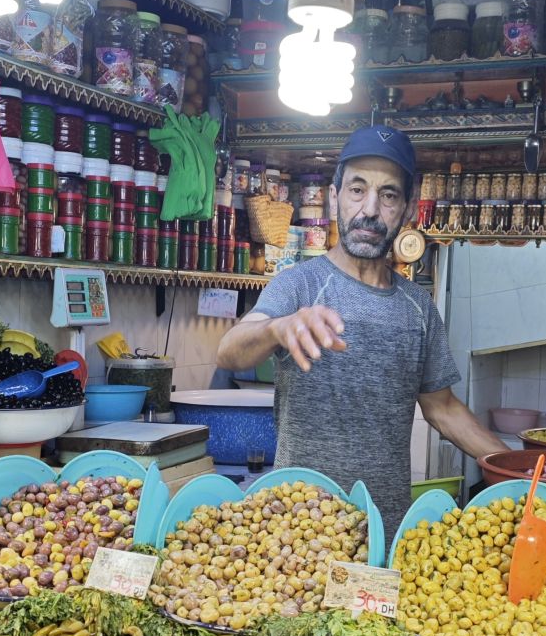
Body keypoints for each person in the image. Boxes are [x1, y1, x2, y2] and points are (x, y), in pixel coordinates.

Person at [215, 125, 508, 542]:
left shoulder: (418, 307)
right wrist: (278, 328)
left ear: (406, 209)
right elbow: (228, 353)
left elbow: (442, 408)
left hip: (383, 533)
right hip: (296, 536)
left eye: (388, 195)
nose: (370, 209)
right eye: (357, 189)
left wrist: (518, 467)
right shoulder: (299, 285)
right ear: (335, 197)